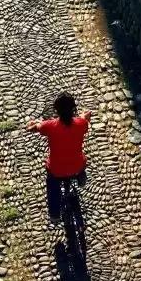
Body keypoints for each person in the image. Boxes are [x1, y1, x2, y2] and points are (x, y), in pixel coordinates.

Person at [26, 92, 91, 223]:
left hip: (57, 170)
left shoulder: (49, 126)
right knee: (82, 161)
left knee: (52, 186)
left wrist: (32, 124)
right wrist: (84, 116)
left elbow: (33, 128)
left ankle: (54, 214)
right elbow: (84, 121)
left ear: (56, 110)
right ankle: (81, 177)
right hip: (77, 166)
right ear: (73, 108)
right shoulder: (81, 123)